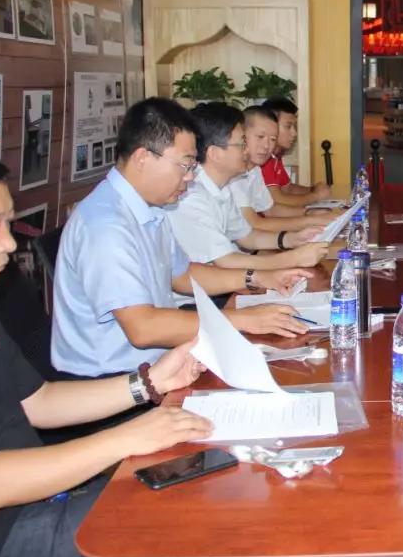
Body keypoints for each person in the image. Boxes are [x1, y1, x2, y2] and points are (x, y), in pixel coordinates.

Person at [0, 138, 213, 557]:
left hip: (39, 500)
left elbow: (37, 402)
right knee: (197, 527)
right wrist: (125, 438)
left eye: (8, 225)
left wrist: (148, 382)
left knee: (208, 488)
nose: (9, 245)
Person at [52, 99, 312, 380]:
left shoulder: (151, 207)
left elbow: (182, 275)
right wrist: (244, 319)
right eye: (185, 165)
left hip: (161, 362)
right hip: (113, 381)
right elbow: (143, 328)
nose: (190, 177)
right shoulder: (105, 226)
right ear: (142, 158)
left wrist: (258, 278)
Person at [166, 103, 330, 270]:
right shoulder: (191, 196)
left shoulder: (223, 187)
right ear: (215, 153)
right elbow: (226, 261)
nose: (247, 151)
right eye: (242, 144)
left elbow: (248, 237)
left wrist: (293, 239)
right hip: (212, 283)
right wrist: (293, 258)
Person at [229, 106, 337, 235]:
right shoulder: (234, 175)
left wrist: (309, 212)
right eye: (260, 136)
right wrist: (311, 220)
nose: (266, 146)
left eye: (273, 139)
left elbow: (271, 210)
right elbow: (256, 224)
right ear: (242, 136)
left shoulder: (255, 170)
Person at [262, 97, 332, 207]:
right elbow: (277, 200)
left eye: (294, 126)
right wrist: (316, 196)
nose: (294, 133)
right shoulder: (263, 158)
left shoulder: (276, 156)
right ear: (270, 125)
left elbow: (288, 189)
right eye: (288, 126)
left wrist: (313, 189)